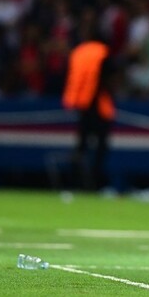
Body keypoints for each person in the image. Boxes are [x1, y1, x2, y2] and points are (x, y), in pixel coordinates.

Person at [61, 16, 116, 191]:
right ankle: (95, 182)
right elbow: (108, 78)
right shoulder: (102, 51)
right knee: (100, 146)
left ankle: (75, 181)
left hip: (82, 105)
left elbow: (71, 78)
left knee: (82, 145)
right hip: (98, 104)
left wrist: (73, 100)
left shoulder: (78, 52)